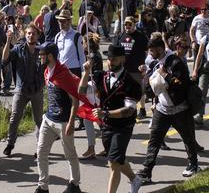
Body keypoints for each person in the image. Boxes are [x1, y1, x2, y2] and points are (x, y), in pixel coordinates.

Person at [80, 45, 143, 193]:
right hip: (106, 126)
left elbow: (129, 110)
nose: (111, 61)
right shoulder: (100, 76)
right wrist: (86, 72)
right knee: (118, 160)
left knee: (113, 164)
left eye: (114, 58)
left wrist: (105, 113)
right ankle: (135, 179)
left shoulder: (131, 83)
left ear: (123, 59)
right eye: (108, 58)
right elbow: (81, 91)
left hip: (123, 127)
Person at [137, 36, 200, 182]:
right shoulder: (154, 64)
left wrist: (165, 75)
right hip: (162, 109)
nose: (150, 54)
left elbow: (182, 85)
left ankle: (193, 165)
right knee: (154, 140)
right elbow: (150, 90)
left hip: (180, 109)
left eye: (152, 51)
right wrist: (145, 76)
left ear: (160, 49)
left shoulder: (176, 62)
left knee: (188, 138)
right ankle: (147, 171)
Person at [35, 42, 82, 193]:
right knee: (41, 151)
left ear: (50, 56)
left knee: (70, 154)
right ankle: (43, 187)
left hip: (63, 121)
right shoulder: (47, 71)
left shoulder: (64, 74)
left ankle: (74, 184)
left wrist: (71, 122)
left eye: (42, 54)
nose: (40, 56)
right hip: (48, 119)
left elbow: (75, 100)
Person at [2, 24, 43, 157]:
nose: (31, 35)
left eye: (33, 33)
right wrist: (8, 41)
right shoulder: (18, 49)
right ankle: (10, 143)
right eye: (29, 33)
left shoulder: (42, 50)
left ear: (37, 35)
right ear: (25, 35)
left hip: (37, 89)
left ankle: (39, 147)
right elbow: (4, 59)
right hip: (21, 89)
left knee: (39, 120)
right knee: (14, 118)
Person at [115, 16, 149, 119]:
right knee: (124, 90)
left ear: (134, 24)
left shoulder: (140, 36)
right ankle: (128, 110)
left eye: (130, 24)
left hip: (136, 68)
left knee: (139, 90)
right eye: (126, 24)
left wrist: (145, 66)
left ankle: (142, 109)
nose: (127, 26)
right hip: (124, 69)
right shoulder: (121, 35)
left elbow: (147, 52)